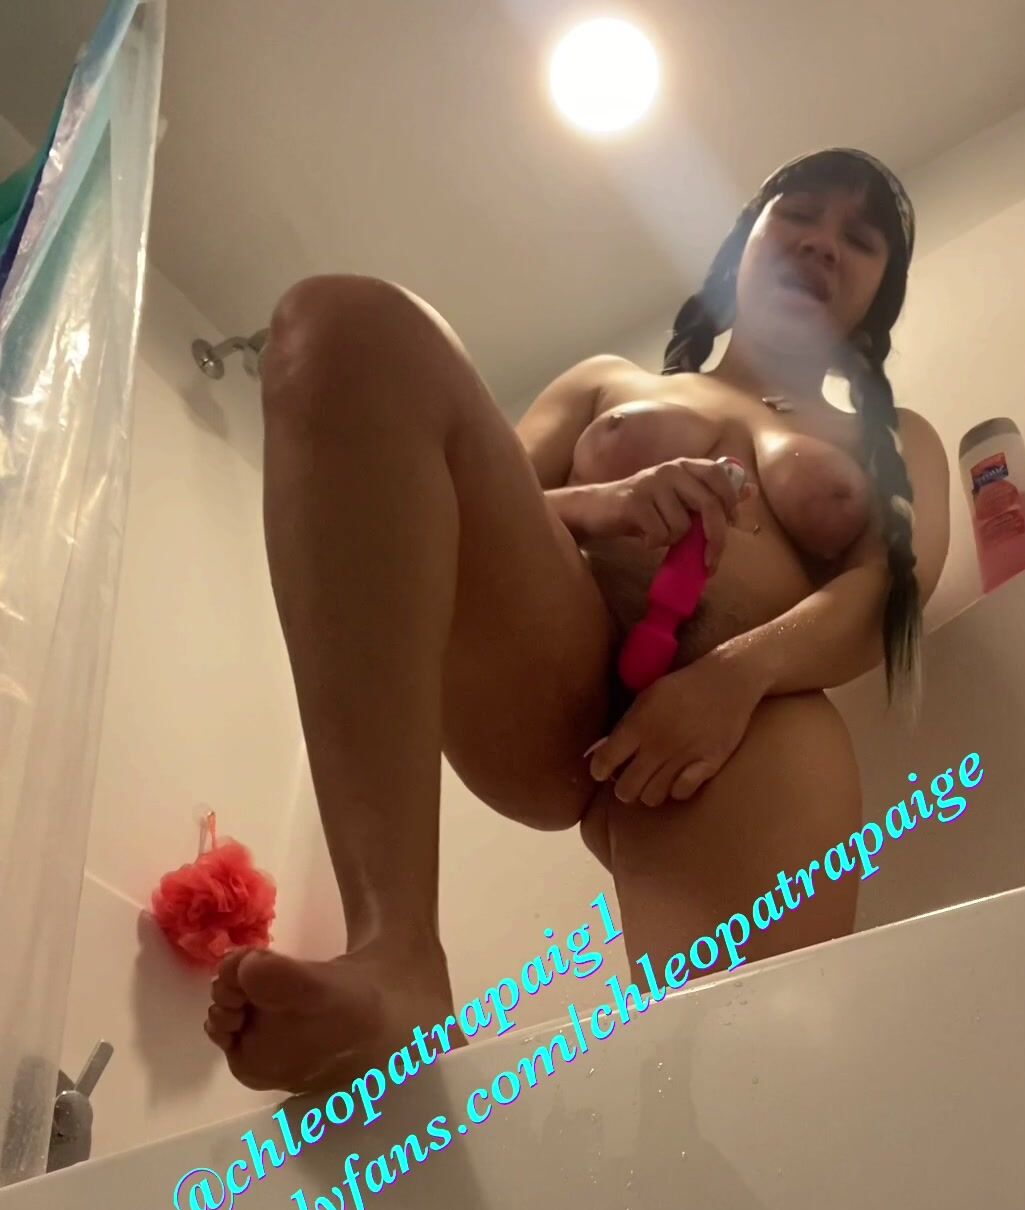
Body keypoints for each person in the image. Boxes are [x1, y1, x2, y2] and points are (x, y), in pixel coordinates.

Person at [203, 148, 950, 1094]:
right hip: (553, 672)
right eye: (799, 213)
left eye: (861, 238)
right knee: (347, 324)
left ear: (880, 296)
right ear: (741, 247)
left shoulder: (894, 440)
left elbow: (891, 590)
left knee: (746, 1086)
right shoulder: (604, 381)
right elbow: (439, 513)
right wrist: (606, 502)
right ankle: (395, 958)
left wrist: (736, 676)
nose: (824, 243)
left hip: (748, 727)